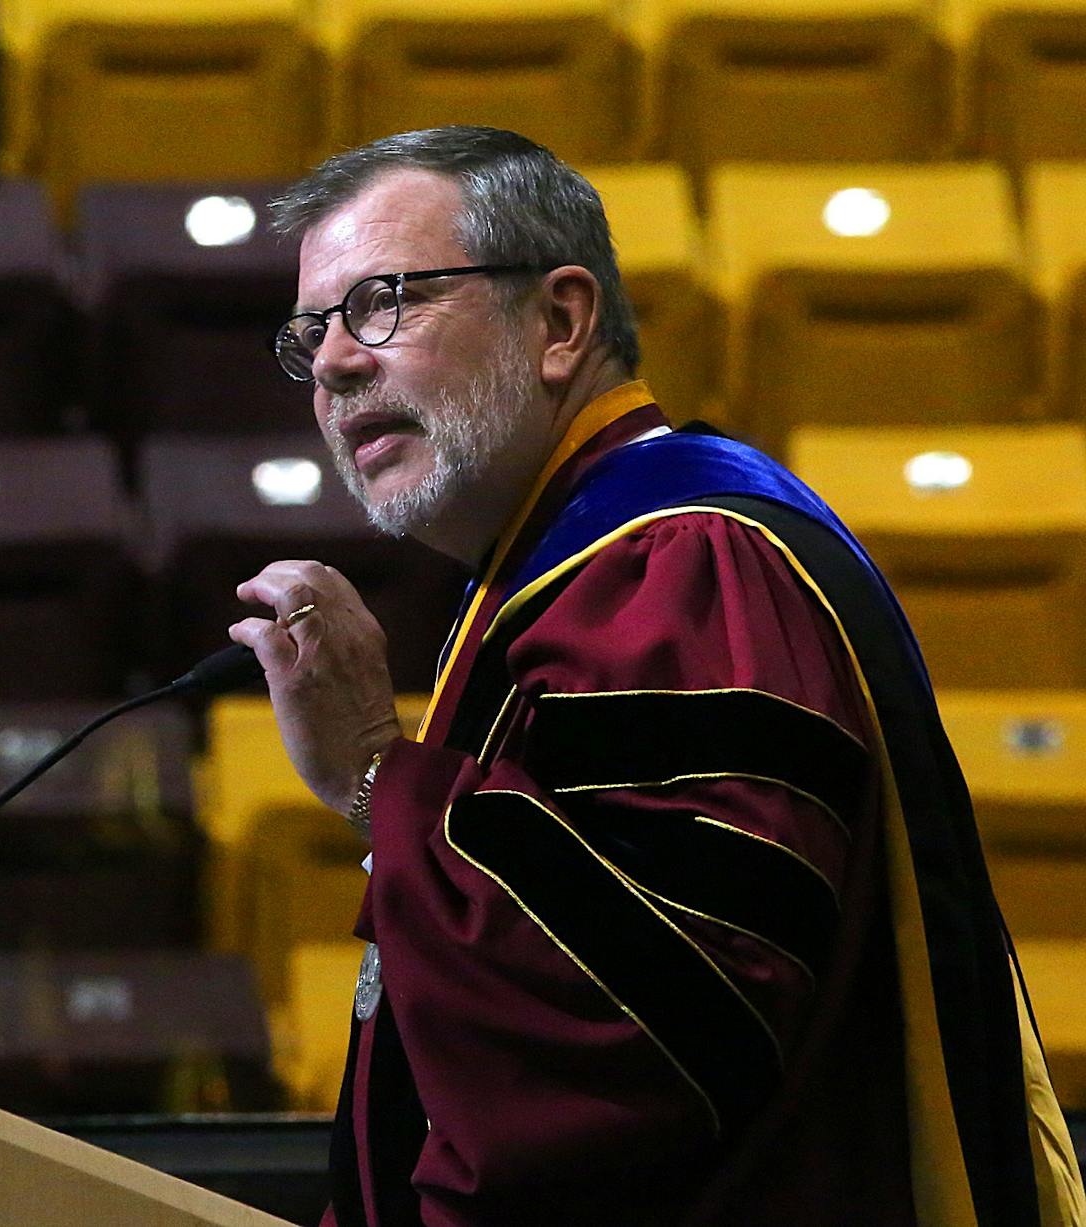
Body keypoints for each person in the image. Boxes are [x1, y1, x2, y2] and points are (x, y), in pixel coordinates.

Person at [227, 125, 1084, 1227]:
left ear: (560, 321)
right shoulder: (563, 571)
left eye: (386, 301)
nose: (339, 361)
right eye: (312, 332)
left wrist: (375, 771)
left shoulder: (678, 560)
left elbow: (656, 1020)